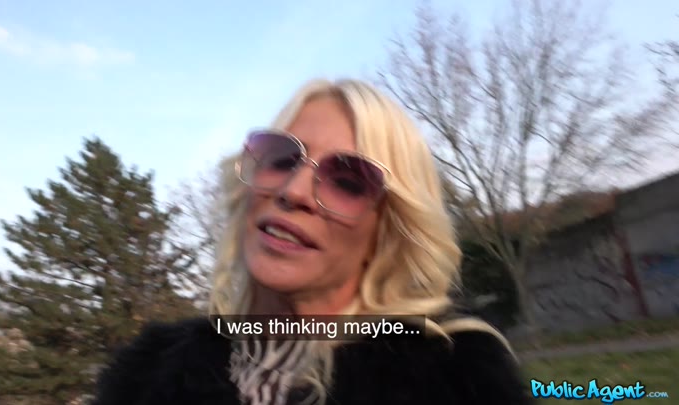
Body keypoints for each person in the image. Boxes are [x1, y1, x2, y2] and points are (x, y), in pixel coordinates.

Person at [91, 78, 534, 404]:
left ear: (388, 233)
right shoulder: (144, 375)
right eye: (283, 158)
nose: (294, 191)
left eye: (348, 181)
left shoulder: (459, 382)